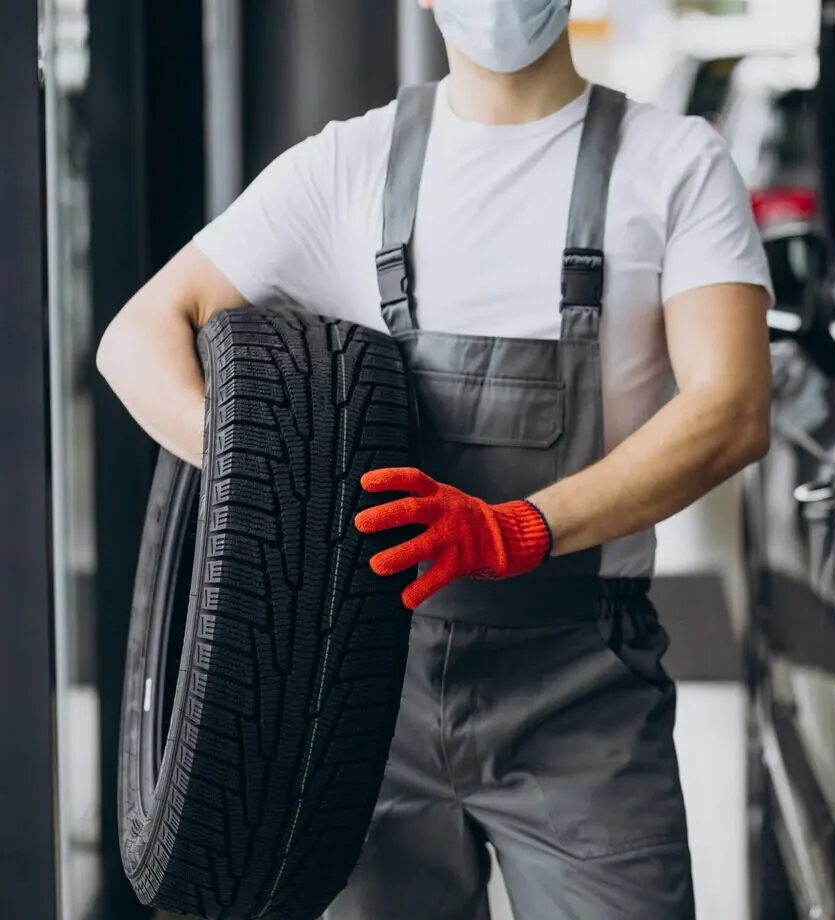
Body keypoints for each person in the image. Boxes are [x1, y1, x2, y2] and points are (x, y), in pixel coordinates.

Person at [96, 1, 774, 917]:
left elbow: (731, 408)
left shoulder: (677, 163)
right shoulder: (349, 164)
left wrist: (517, 529)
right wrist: (273, 490)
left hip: (583, 688)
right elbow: (136, 340)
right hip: (366, 694)